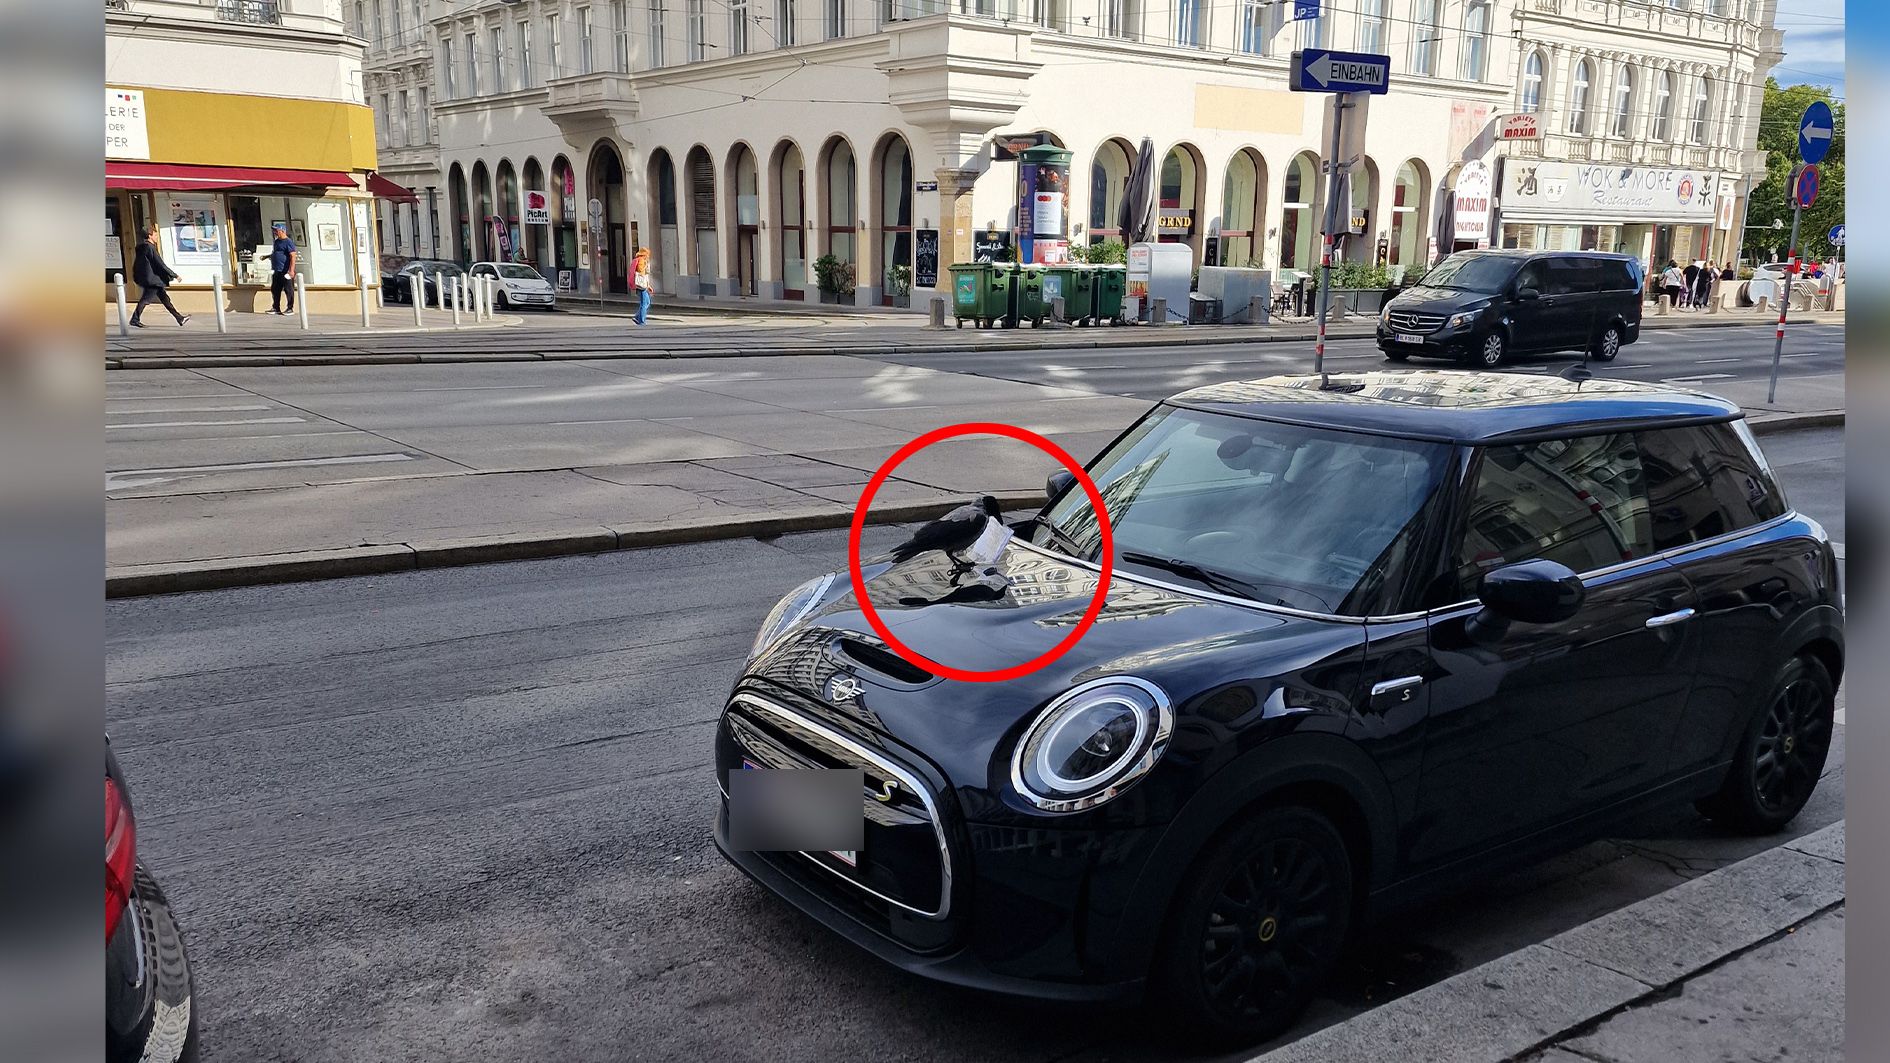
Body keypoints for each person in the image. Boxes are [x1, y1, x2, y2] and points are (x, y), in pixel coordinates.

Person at [129, 224, 189, 328]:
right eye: (155, 235)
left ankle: (179, 318)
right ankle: (135, 319)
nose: (157, 237)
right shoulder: (149, 248)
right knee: (145, 300)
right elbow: (160, 264)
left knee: (165, 300)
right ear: (150, 236)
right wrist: (174, 275)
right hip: (153, 280)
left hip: (150, 278)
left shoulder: (141, 247)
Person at [268, 223, 298, 315]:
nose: (275, 232)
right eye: (274, 230)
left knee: (288, 289)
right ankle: (276, 307)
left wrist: (291, 270)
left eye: (276, 230)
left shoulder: (288, 242)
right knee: (275, 289)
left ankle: (290, 308)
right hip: (277, 269)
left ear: (282, 231)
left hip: (286, 270)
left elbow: (293, 256)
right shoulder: (276, 242)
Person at [631, 247, 653, 326]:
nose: (648, 256)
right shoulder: (641, 260)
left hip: (643, 285)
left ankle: (637, 316)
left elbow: (645, 275)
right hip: (641, 285)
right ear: (644, 254)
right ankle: (641, 320)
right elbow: (641, 271)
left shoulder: (642, 260)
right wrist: (646, 264)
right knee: (644, 303)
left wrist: (648, 285)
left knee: (647, 302)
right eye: (647, 254)